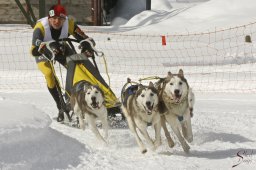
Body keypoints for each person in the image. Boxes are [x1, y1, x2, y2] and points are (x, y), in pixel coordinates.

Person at [31, 4, 120, 122]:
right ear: (49, 18)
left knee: (78, 64)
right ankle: (61, 107)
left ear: (64, 19)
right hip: (41, 51)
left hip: (61, 48)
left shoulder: (69, 24)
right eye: (54, 19)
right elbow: (37, 43)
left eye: (60, 19)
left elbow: (84, 37)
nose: (57, 22)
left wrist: (86, 44)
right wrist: (50, 46)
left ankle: (106, 100)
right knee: (48, 74)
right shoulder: (41, 26)